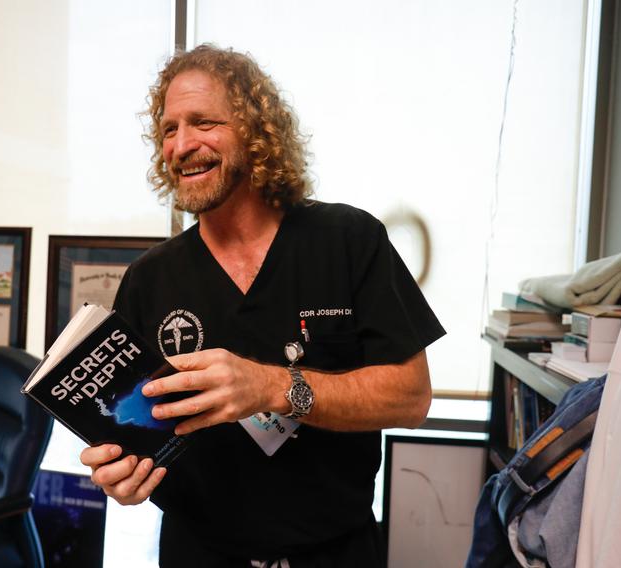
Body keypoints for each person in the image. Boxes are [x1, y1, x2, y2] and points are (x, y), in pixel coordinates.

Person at [80, 44, 445, 567]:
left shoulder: (347, 240)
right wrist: (119, 473)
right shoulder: (149, 278)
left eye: (202, 123)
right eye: (168, 130)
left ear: (255, 131)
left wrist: (272, 387)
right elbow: (131, 425)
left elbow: (411, 398)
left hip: (334, 552)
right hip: (198, 553)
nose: (181, 145)